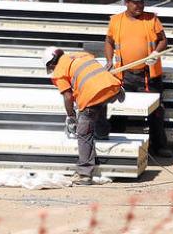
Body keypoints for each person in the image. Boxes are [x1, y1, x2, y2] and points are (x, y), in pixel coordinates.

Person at [106, 0, 173, 158]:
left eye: (142, 2)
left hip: (147, 75)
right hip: (125, 75)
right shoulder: (116, 21)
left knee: (156, 112)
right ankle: (116, 146)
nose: (140, 6)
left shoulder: (151, 19)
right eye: (136, 2)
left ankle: (159, 146)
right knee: (120, 112)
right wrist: (108, 61)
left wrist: (156, 53)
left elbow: (163, 40)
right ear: (126, 2)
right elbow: (109, 42)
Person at [42, 46, 121, 184]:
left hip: (93, 94)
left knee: (83, 131)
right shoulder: (81, 55)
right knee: (100, 103)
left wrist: (71, 117)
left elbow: (67, 96)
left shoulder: (59, 71)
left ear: (52, 63)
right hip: (112, 86)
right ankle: (102, 133)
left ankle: (84, 174)